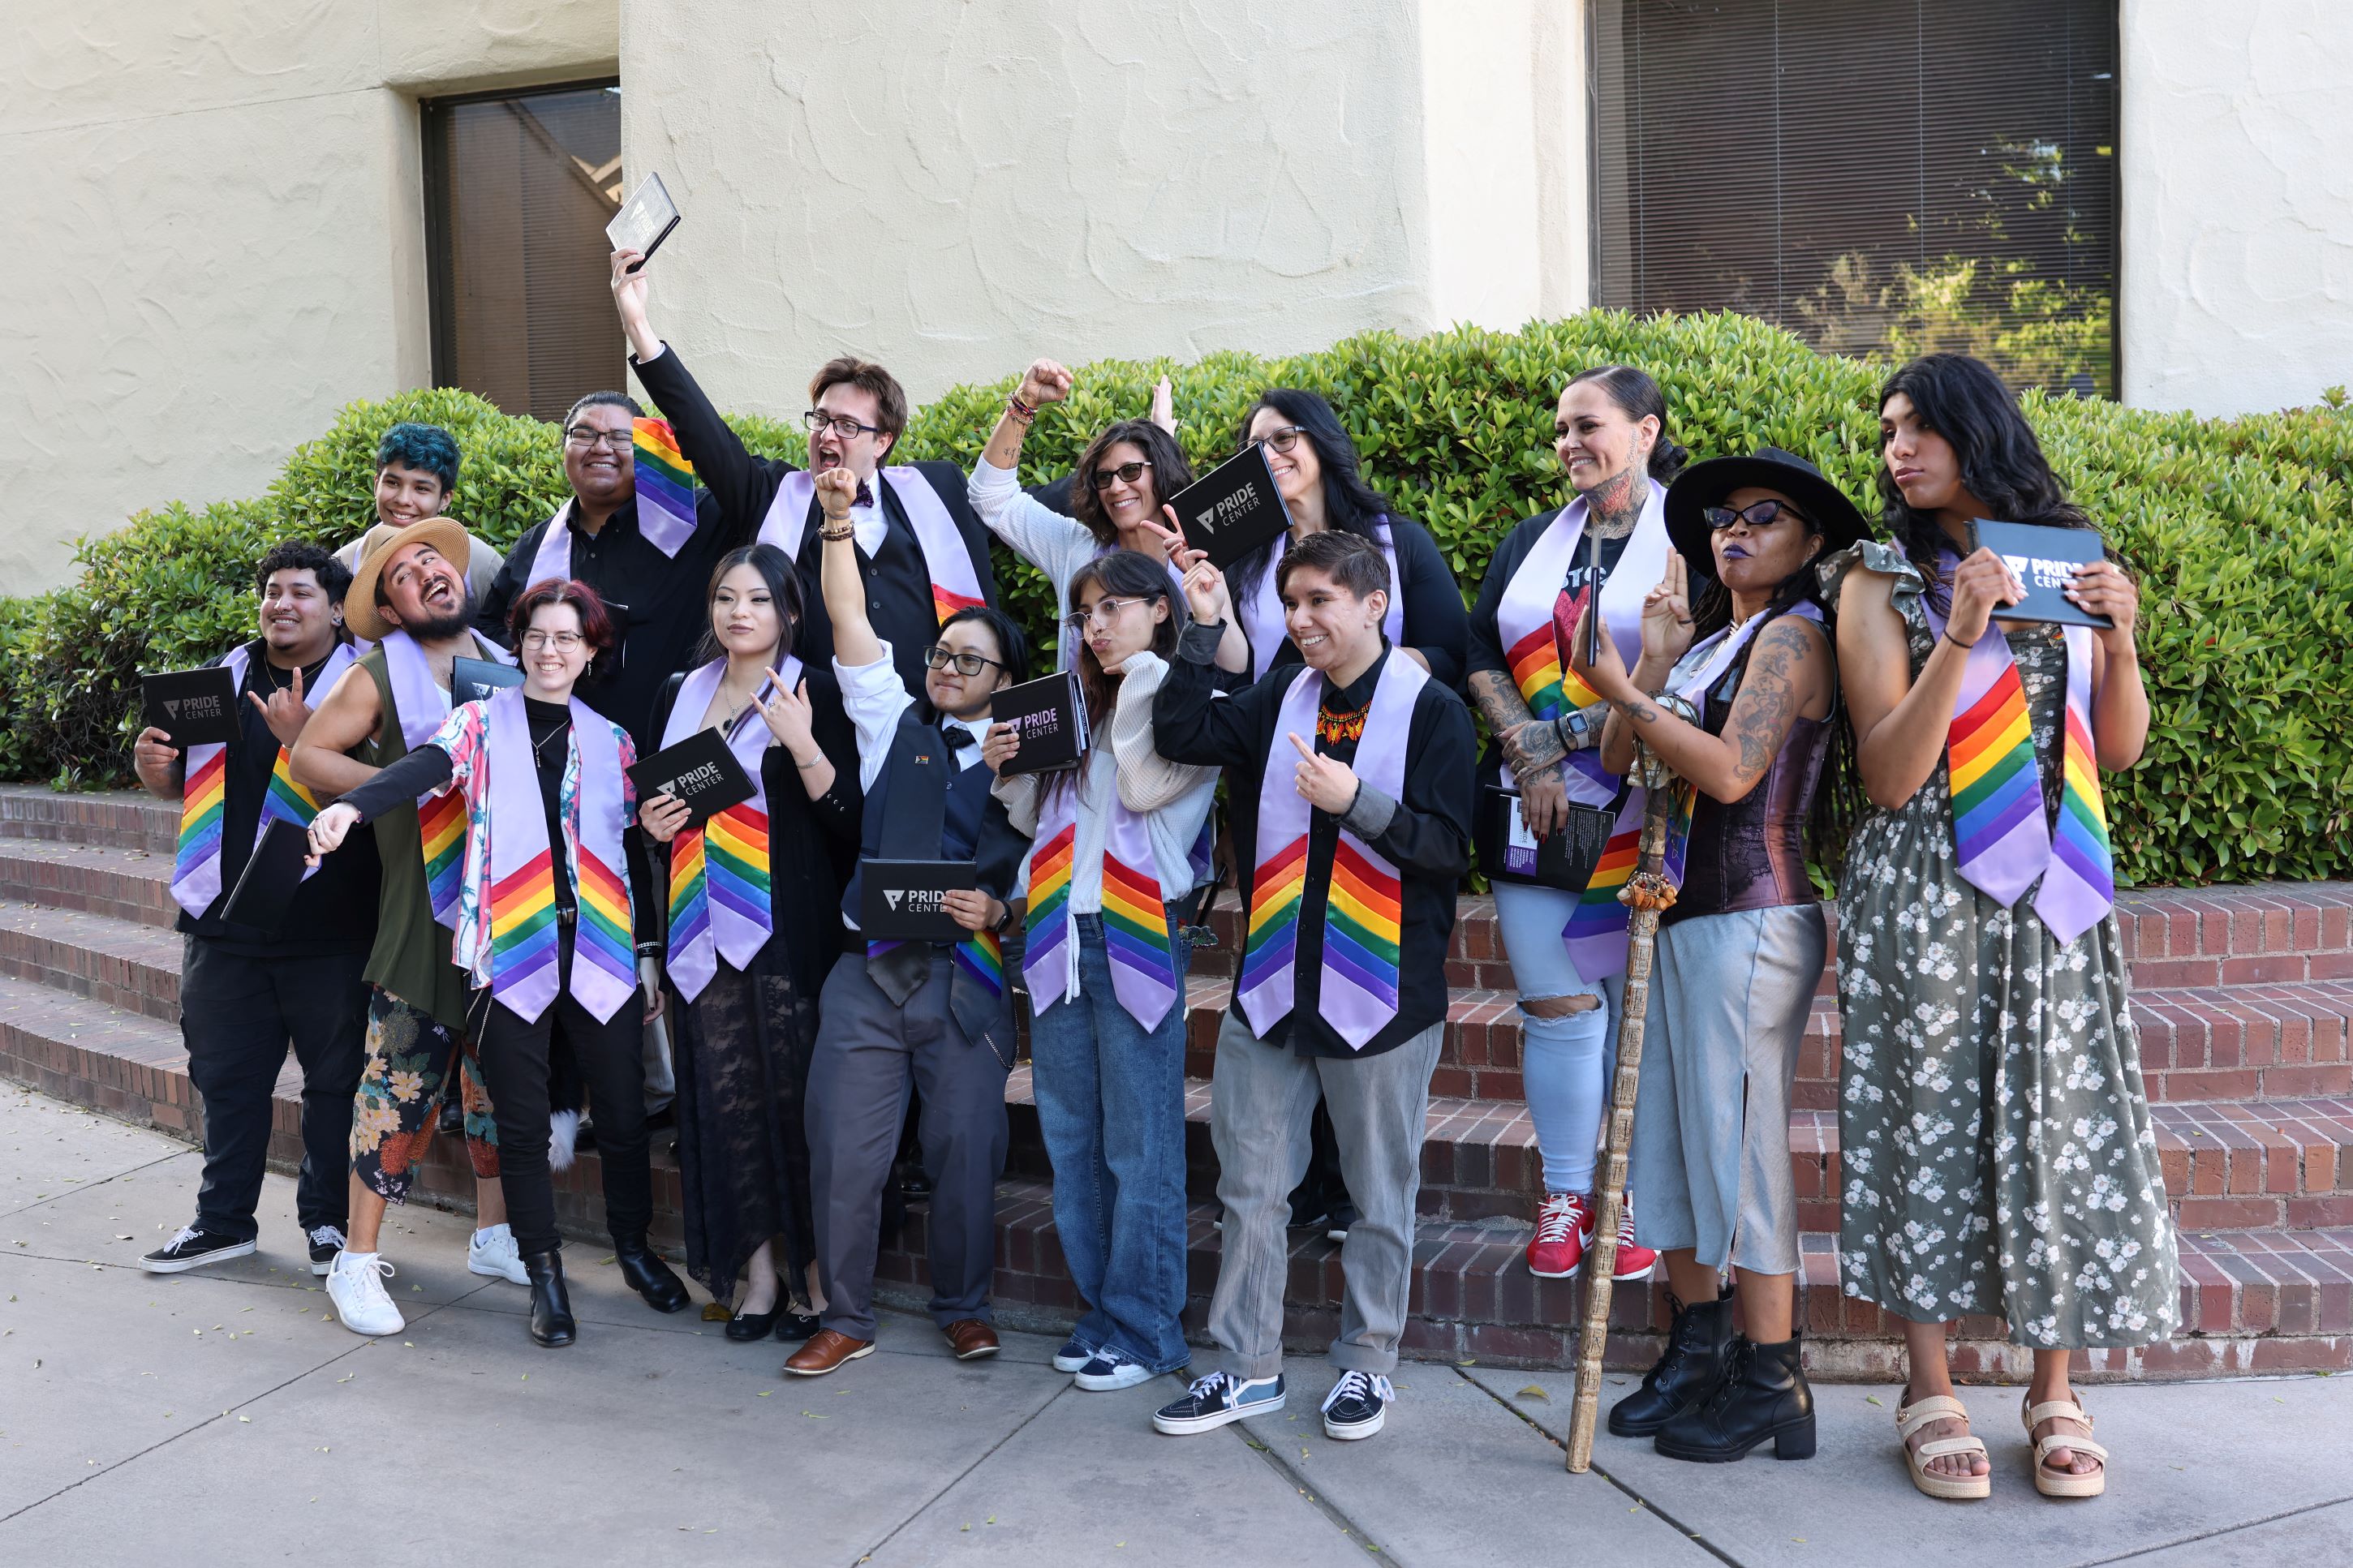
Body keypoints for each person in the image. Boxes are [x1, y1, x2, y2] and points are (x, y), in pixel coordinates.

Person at [1824, 352, 2174, 1501]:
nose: (1898, 449)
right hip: (1927, 889)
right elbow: (1886, 773)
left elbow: (2116, 750)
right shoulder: (1878, 578)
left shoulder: (2065, 561)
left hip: (2057, 889)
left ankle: (2053, 1387)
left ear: (1982, 431)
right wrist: (1961, 636)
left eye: (1921, 427)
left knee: (2055, 1117)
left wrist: (2119, 638)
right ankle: (1929, 1385)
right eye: (1888, 432)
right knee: (1927, 1119)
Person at [1568, 449, 1865, 1463]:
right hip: (1673, 916)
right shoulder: (1709, 641)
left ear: (1809, 541)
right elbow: (1619, 756)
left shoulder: (1795, 635)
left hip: (1752, 916)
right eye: (1721, 519)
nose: (1732, 531)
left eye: (1763, 516)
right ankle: (1696, 1351)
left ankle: (1774, 1378)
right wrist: (1646, 663)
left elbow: (1735, 773)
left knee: (1738, 1151)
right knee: (1668, 1146)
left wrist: (1621, 686)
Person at [1149, 531, 1476, 1443]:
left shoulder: (1433, 711)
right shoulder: (1277, 697)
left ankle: (1368, 1363)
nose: (1299, 619)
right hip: (1273, 983)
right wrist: (1202, 624)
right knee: (1250, 1186)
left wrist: (1354, 802)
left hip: (1381, 990)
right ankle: (1244, 1367)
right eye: (1290, 603)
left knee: (1378, 1192)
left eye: (1319, 600)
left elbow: (1450, 848)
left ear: (1372, 604)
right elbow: (1180, 730)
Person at [308, 578, 686, 1348]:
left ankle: (634, 1248)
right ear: (518, 645)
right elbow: (421, 771)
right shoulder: (478, 723)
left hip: (603, 951)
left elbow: (630, 853)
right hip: (511, 948)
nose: (551, 651)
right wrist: (355, 804)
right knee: (517, 1121)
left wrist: (647, 951)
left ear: (590, 652)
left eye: (568, 639)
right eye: (538, 636)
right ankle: (543, 1275)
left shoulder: (612, 740)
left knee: (617, 1114)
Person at [784, 468, 1032, 1378]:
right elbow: (849, 622)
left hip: (962, 978)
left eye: (970, 660)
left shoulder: (1033, 760)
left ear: (1006, 679)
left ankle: (964, 1308)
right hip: (866, 970)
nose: (948, 669)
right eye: (941, 656)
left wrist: (1001, 905)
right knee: (844, 1151)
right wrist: (840, 521)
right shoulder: (893, 722)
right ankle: (845, 1315)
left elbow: (1062, 864)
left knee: (967, 1151)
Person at [1464, 365, 1682, 1283]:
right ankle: (1564, 1195)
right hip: (1533, 810)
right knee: (1556, 1007)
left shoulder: (1688, 543)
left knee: (1634, 1012)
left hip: (1645, 803)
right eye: (1558, 429)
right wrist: (1529, 748)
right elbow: (1478, 649)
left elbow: (1688, 663)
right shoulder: (1530, 540)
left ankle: (1625, 1195)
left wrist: (1571, 735)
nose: (1566, 444)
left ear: (1644, 430)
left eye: (1585, 425)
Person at [983, 550, 1219, 1392]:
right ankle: (1103, 1312)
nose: (1095, 625)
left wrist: (1133, 680)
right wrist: (1010, 757)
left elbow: (1151, 786)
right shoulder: (1076, 701)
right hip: (1054, 924)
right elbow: (1032, 814)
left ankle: (1149, 1327)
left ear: (1161, 608)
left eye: (1111, 608)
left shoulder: (1181, 691)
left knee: (1139, 1141)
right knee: (1071, 1137)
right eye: (1084, 614)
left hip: (1134, 924)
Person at [289, 519, 523, 1336]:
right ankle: (355, 1261)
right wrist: (402, 783)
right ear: (388, 606)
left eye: (435, 560)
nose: (427, 572)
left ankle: (495, 1235)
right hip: (421, 903)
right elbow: (308, 757)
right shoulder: (379, 671)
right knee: (399, 1083)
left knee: (495, 1080)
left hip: (506, 901)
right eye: (403, 572)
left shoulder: (505, 663)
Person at [134, 543, 381, 1278]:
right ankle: (222, 1221)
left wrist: (304, 739)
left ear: (336, 607)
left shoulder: (365, 683)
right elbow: (180, 779)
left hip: (329, 922)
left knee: (334, 1082)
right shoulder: (216, 682)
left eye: (300, 592)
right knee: (226, 1076)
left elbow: (388, 796)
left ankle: (329, 1226)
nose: (281, 603)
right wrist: (154, 772)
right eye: (271, 591)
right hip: (224, 920)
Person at [639, 544, 861, 1344]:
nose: (740, 613)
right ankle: (760, 1275)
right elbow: (652, 815)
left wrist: (800, 742)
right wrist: (654, 828)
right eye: (726, 598)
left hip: (785, 927)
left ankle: (811, 1278)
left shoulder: (814, 688)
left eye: (758, 600)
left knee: (795, 1106)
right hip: (700, 931)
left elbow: (847, 821)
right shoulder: (679, 692)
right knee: (725, 1106)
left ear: (790, 612)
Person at [609, 249, 1000, 702]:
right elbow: (704, 432)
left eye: (848, 426)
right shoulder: (773, 496)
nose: (828, 434)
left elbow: (1006, 504)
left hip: (928, 726)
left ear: (884, 441)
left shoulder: (937, 489)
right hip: (806, 725)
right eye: (821, 420)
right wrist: (639, 327)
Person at [966, 356, 1250, 676]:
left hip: (1175, 723)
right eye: (1104, 477)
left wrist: (1207, 601)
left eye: (1130, 471)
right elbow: (991, 497)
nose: (1116, 487)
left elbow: (1236, 665)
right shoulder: (1077, 549)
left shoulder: (1198, 555)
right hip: (1090, 724)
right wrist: (1024, 403)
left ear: (1163, 473)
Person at [1225, 389, 1468, 688]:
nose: (1269, 455)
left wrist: (1356, 663)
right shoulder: (1247, 557)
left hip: (1385, 723)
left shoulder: (1400, 542)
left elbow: (1451, 657)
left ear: (1321, 438)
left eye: (1283, 438)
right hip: (1278, 727)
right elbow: (1238, 671)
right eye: (1255, 447)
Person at [330, 421, 507, 605]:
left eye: (421, 488)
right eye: (392, 483)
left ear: (445, 499)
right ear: (376, 485)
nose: (403, 499)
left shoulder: (481, 564)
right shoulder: (343, 566)